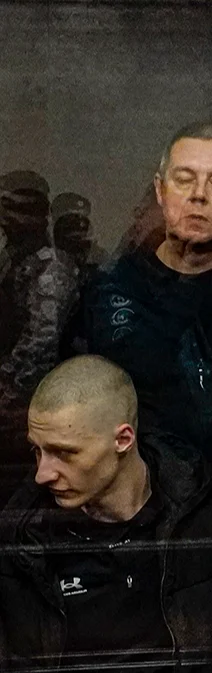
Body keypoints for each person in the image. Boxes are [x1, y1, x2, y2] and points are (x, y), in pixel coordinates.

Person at [0, 355, 212, 671]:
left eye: (64, 453)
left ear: (123, 439)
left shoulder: (206, 509)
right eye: (37, 450)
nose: (42, 474)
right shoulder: (23, 538)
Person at [78, 123, 212, 474]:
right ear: (160, 190)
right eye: (184, 179)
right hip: (131, 484)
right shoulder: (112, 289)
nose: (199, 195)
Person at [0, 170, 80, 505]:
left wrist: (6, 394)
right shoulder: (15, 262)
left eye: (20, 209)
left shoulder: (49, 269)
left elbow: (40, 346)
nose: (9, 219)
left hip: (33, 410)